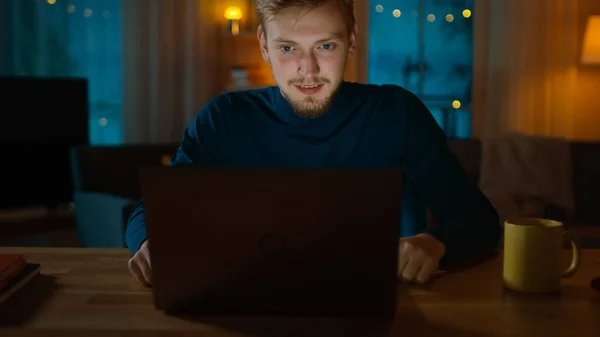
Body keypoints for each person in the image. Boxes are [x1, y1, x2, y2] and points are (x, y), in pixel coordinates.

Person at [126, 0, 500, 287]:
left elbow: (480, 220)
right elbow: (149, 213)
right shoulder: (224, 118)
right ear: (264, 46)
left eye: (325, 46)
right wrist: (151, 242)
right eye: (288, 48)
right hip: (247, 301)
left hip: (383, 308)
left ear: (351, 41)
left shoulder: (397, 114)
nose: (308, 69)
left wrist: (434, 243)